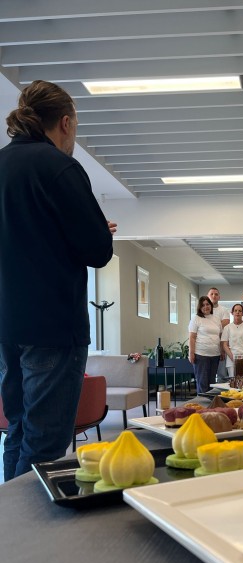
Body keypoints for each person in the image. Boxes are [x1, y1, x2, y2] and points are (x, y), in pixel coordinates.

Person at [0, 80, 115, 482]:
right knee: (46, 442)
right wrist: (99, 230)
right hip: (52, 325)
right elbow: (97, 251)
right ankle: (31, 522)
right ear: (65, 123)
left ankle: (10, 519)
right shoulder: (59, 167)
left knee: (17, 429)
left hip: (6, 325)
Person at [188, 296, 222, 393]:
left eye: (207, 304)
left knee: (212, 384)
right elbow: (192, 337)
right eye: (203, 305)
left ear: (211, 305)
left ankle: (211, 403)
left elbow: (220, 336)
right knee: (202, 383)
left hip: (215, 355)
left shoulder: (216, 319)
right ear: (199, 307)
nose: (206, 307)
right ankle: (202, 402)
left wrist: (222, 351)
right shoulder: (196, 318)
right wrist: (191, 353)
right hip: (201, 355)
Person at [221, 304, 243, 375]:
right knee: (233, 380)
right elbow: (224, 344)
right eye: (235, 310)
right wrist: (232, 358)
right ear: (232, 313)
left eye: (240, 311)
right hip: (231, 360)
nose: (237, 312)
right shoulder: (227, 327)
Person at [207, 287, 230, 382]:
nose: (214, 296)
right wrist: (218, 324)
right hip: (208, 346)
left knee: (222, 374)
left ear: (219, 297)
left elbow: (226, 322)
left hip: (221, 344)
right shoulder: (204, 310)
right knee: (208, 375)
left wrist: (209, 325)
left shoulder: (224, 310)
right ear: (208, 296)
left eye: (216, 294)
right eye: (211, 294)